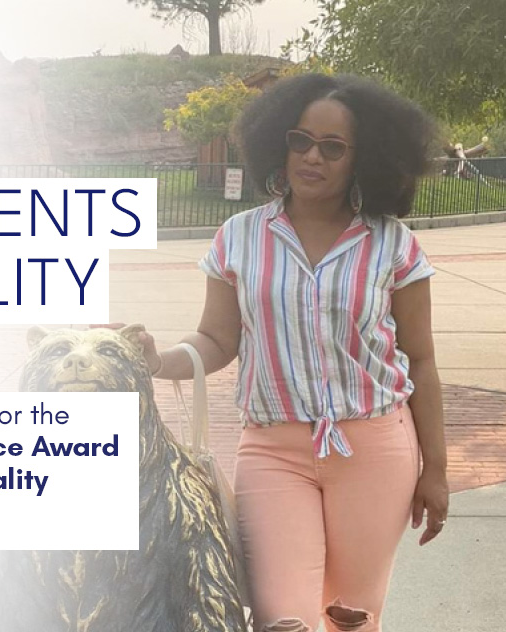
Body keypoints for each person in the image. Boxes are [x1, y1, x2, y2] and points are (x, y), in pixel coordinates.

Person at [139, 74, 449, 632]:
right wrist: (157, 360)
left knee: (351, 617)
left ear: (363, 158)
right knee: (283, 617)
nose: (312, 157)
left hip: (375, 448)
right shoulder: (238, 236)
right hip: (273, 449)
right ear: (278, 143)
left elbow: (420, 361)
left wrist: (437, 472)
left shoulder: (393, 244)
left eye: (333, 147)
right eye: (300, 140)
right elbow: (216, 341)